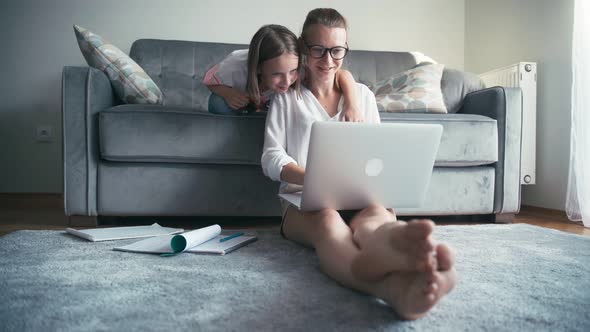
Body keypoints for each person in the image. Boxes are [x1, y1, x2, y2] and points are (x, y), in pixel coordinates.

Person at [261, 8, 456, 320]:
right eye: (318, 50)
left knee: (375, 218)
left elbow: (377, 155)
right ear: (303, 48)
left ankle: (399, 254)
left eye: (337, 51)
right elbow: (271, 158)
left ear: (345, 49)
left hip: (359, 197)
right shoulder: (287, 98)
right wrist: (314, 178)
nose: (328, 61)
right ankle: (389, 288)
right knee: (328, 222)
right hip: (303, 200)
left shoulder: (362, 96)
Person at [202, 24, 363, 121]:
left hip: (271, 105)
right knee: (217, 103)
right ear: (259, 67)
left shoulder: (301, 65)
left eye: (292, 71)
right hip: (243, 101)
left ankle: (265, 112)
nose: (287, 82)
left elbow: (342, 74)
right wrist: (228, 93)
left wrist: (352, 104)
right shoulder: (236, 63)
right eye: (277, 74)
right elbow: (209, 81)